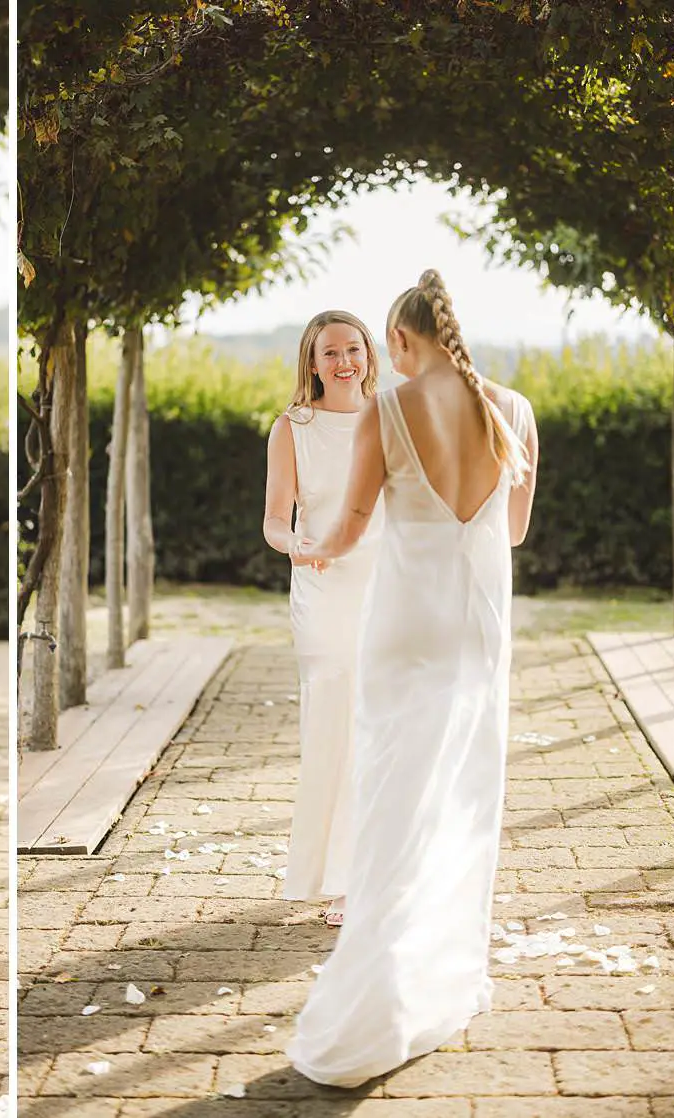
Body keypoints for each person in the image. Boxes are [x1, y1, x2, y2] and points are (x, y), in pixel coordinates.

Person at [287, 269, 540, 1087]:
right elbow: (513, 532)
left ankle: (375, 997)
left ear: (398, 341)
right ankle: (441, 969)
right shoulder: (515, 412)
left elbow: (353, 523)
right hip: (477, 629)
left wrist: (312, 547)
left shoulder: (386, 412)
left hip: (402, 630)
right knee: (462, 798)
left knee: (393, 795)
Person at [262, 310, 384, 928]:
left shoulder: (392, 419)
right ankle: (334, 877)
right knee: (332, 724)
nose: (344, 361)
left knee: (380, 727)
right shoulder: (293, 428)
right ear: (312, 362)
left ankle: (373, 872)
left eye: (354, 349)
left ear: (369, 354)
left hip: (384, 587)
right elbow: (274, 520)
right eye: (330, 352)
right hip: (322, 589)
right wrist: (296, 547)